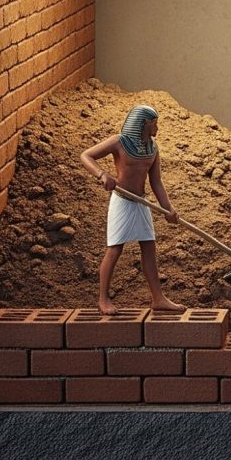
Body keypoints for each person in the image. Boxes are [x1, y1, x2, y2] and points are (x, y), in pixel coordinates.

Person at [79, 104, 183, 315]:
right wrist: (102, 175)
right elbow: (86, 156)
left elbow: (156, 182)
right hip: (122, 201)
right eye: (154, 123)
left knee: (149, 247)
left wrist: (168, 209)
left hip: (141, 202)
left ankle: (158, 298)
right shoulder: (119, 142)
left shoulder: (152, 148)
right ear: (143, 123)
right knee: (115, 249)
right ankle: (103, 299)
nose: (157, 128)